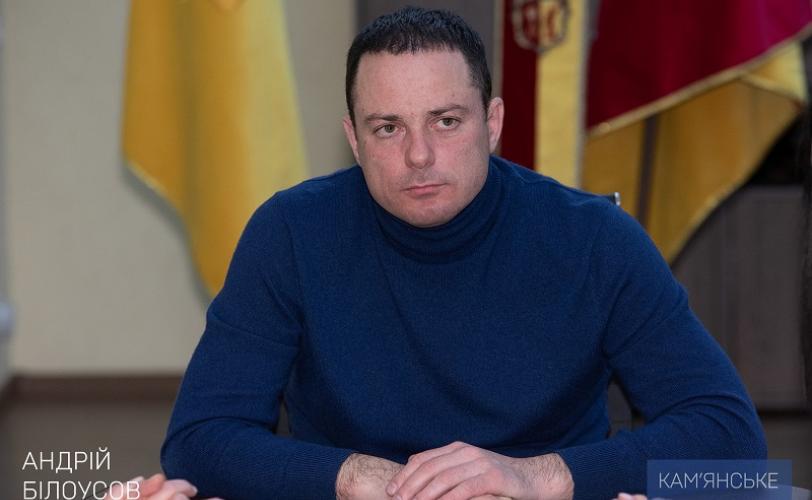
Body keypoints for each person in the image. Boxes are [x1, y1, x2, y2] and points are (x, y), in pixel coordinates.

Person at [160, 7, 766, 500]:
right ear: (354, 138)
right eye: (388, 127)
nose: (419, 155)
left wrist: (538, 478)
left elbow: (736, 447)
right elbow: (197, 441)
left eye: (446, 121)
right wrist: (358, 478)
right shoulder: (291, 233)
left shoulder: (595, 238)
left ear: (492, 122)